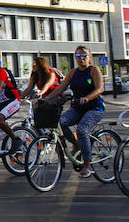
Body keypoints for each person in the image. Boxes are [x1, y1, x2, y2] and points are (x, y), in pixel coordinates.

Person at [44, 46, 105, 177]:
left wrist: (87, 98)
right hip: (78, 107)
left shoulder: (94, 70)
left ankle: (87, 164)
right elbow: (60, 88)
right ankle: (76, 145)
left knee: (82, 129)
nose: (81, 58)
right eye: (78, 56)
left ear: (90, 57)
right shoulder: (72, 73)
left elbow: (100, 89)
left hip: (95, 108)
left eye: (84, 55)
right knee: (60, 123)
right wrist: (46, 99)